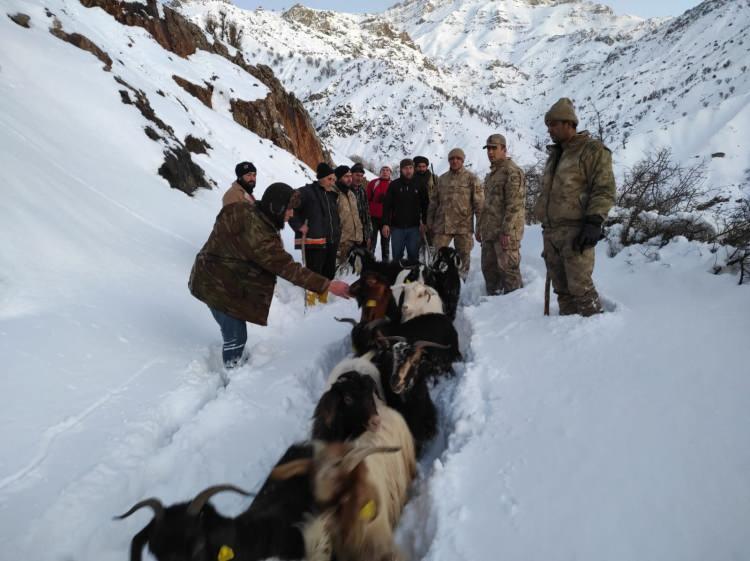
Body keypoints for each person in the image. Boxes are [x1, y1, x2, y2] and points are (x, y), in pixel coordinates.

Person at [189, 183, 350, 368]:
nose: (291, 215)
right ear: (276, 208)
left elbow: (222, 221)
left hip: (212, 276)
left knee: (234, 329)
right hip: (217, 286)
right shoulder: (260, 234)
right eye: (289, 210)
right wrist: (328, 285)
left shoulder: (242, 209)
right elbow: (288, 268)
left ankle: (235, 361)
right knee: (236, 335)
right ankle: (233, 372)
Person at [534, 97, 616, 316]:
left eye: (553, 124)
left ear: (568, 123)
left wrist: (594, 221)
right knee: (561, 290)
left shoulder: (592, 150)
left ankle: (595, 332)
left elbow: (604, 188)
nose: (549, 129)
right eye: (548, 125)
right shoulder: (555, 154)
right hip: (551, 232)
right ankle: (568, 334)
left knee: (581, 289)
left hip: (576, 231)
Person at [477, 134, 526, 295]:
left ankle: (514, 313)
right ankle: (493, 309)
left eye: (494, 148)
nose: (490, 152)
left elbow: (514, 204)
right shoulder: (491, 175)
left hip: (505, 234)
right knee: (489, 272)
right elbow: (486, 205)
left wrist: (506, 231)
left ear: (504, 149)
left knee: (509, 274)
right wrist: (480, 228)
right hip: (490, 233)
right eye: (488, 148)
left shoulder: (512, 172)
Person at [290, 163, 342, 306]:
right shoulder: (306, 192)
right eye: (329, 179)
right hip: (313, 241)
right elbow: (290, 206)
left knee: (329, 272)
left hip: (331, 240)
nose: (333, 182)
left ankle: (323, 299)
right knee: (314, 273)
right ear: (321, 178)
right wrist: (299, 226)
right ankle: (311, 302)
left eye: (334, 179)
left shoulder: (332, 195)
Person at [427, 148, 484, 279]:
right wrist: (430, 221)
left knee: (463, 257)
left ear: (462, 160)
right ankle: (437, 280)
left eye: (458, 158)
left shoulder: (472, 179)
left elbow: (479, 205)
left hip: (463, 226)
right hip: (443, 226)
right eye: (452, 159)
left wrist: (479, 226)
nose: (455, 161)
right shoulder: (442, 179)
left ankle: (461, 283)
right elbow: (434, 203)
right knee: (436, 254)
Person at [382, 158, 429, 263]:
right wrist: (385, 224)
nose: (408, 171)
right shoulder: (394, 185)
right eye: (405, 168)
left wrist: (425, 222)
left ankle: (412, 278)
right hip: (397, 228)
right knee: (397, 258)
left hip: (414, 228)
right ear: (401, 170)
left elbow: (426, 205)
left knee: (413, 257)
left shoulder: (420, 184)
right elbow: (387, 206)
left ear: (413, 169)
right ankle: (396, 277)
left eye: (411, 168)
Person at [334, 165, 365, 266]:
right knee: (336, 272)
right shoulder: (333, 194)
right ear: (338, 178)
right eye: (346, 176)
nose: (350, 179)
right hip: (340, 242)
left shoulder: (351, 194)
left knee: (349, 273)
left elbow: (356, 216)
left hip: (354, 241)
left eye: (350, 176)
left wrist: (360, 236)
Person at [366, 165, 392, 261]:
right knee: (372, 243)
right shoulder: (373, 183)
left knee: (385, 244)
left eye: (387, 170)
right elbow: (367, 200)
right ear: (380, 172)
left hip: (387, 220)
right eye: (383, 170)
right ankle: (370, 263)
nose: (385, 172)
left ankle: (385, 265)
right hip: (373, 218)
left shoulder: (393, 184)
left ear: (390, 173)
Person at [350, 163, 373, 249]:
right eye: (357, 175)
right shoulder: (345, 190)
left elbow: (367, 213)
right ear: (351, 175)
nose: (359, 178)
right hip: (349, 235)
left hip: (362, 233)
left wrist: (368, 235)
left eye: (361, 175)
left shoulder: (362, 191)